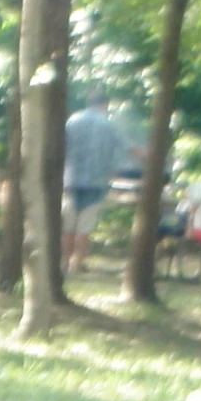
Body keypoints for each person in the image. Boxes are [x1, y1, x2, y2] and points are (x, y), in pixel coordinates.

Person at [64, 89, 131, 271]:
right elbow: (126, 147)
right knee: (85, 226)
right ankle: (76, 263)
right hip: (96, 182)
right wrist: (148, 156)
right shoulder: (107, 124)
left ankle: (63, 262)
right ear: (104, 104)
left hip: (70, 179)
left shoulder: (72, 120)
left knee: (68, 225)